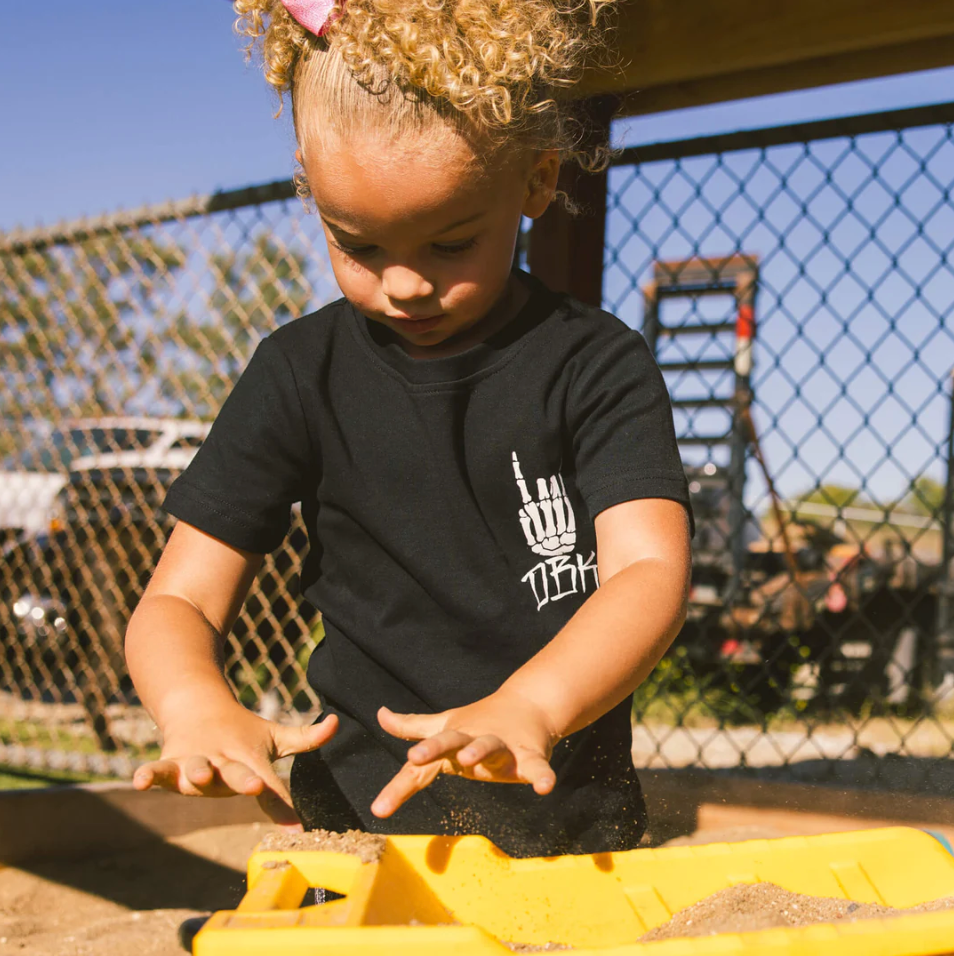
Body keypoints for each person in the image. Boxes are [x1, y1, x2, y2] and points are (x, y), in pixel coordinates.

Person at [126, 0, 693, 858]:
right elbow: (177, 597)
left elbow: (648, 571)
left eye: (450, 244)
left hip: (569, 822)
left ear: (538, 180)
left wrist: (531, 706)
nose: (403, 286)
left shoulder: (595, 364)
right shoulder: (296, 373)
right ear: (310, 187)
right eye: (356, 245)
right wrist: (194, 705)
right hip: (355, 829)